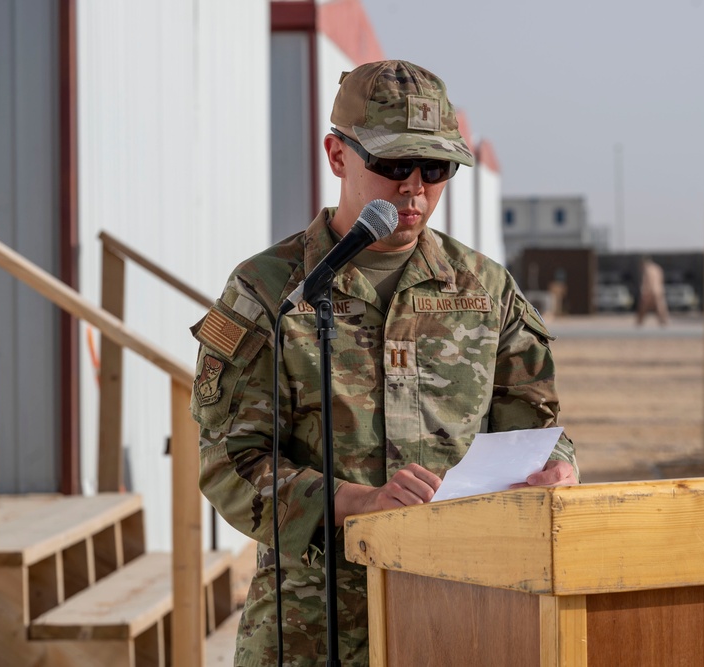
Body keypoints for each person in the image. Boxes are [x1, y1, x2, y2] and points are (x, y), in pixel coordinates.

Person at [189, 60, 579, 666]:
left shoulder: (485, 289)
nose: (414, 188)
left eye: (436, 168)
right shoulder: (271, 290)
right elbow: (228, 465)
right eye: (393, 165)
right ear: (337, 156)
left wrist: (556, 468)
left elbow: (532, 428)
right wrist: (354, 502)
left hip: (461, 618)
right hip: (314, 629)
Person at [636, 255, 669, 326]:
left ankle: (639, 323)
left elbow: (647, 281)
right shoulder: (657, 268)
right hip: (659, 290)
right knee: (660, 307)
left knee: (643, 308)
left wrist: (644, 290)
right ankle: (664, 322)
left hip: (650, 291)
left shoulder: (647, 269)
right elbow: (661, 279)